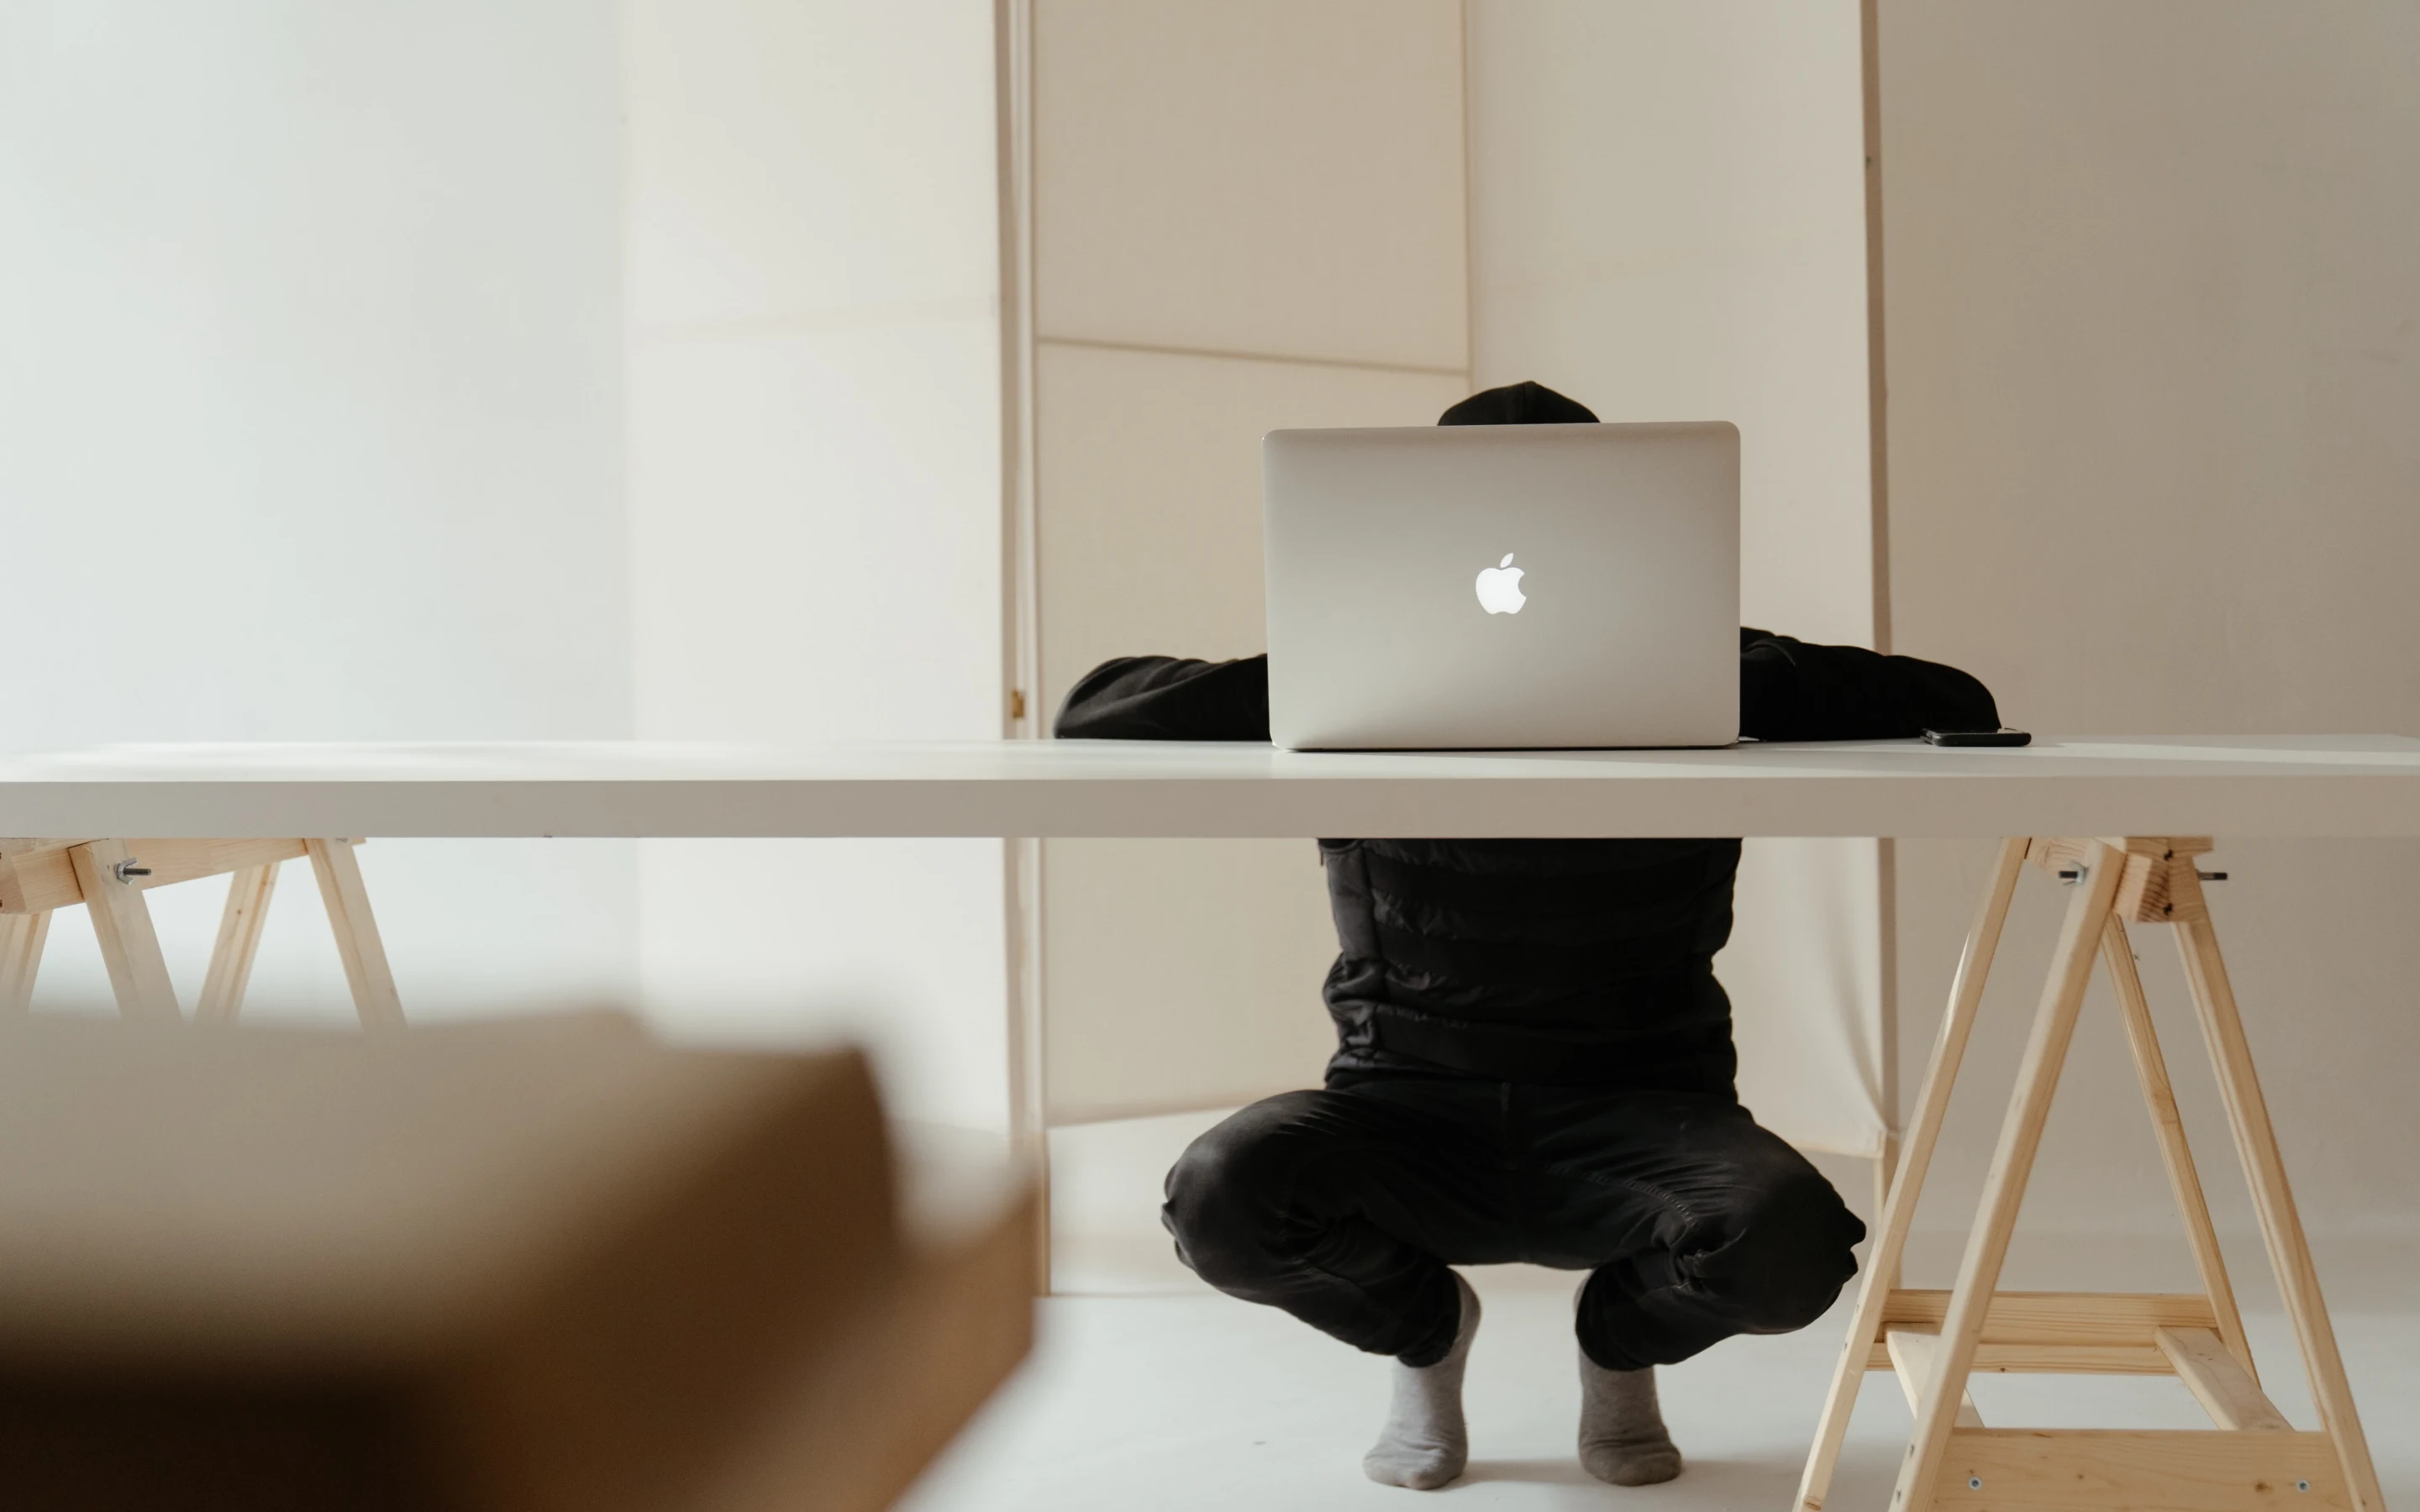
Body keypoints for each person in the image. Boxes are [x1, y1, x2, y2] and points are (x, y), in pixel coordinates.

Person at [1053, 381, 2002, 1492]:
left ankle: (1617, 1347)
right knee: (1221, 1195)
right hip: (1403, 1107)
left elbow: (1961, 701)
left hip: (1645, 1109)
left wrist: (1708, 668)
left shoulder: (1706, 673)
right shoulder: (1356, 680)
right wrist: (1339, 660)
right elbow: (1094, 709)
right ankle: (1424, 1332)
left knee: (1792, 1246)